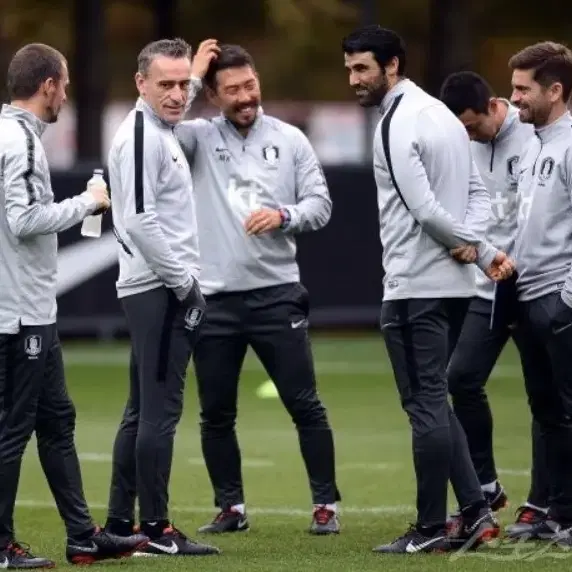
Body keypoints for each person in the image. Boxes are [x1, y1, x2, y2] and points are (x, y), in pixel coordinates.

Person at [341, 25, 515, 554]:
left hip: (415, 284)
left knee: (423, 407)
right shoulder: (441, 113)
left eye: (363, 68)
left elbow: (423, 210)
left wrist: (480, 250)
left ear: (393, 65)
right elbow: (478, 194)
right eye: (349, 68)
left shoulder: (398, 121)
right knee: (436, 404)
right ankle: (476, 511)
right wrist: (473, 241)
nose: (353, 79)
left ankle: (430, 528)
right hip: (455, 287)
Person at [176, 42, 341, 535]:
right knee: (215, 413)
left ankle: (326, 506)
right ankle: (231, 509)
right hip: (215, 299)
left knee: (304, 403)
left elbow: (321, 204)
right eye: (232, 90)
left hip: (276, 293)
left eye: (250, 85)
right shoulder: (196, 137)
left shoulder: (290, 139)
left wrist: (284, 215)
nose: (246, 96)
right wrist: (193, 72)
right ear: (212, 94)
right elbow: (157, 127)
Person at [0, 43, 148, 568]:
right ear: (48, 86)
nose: (66, 92)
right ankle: (1, 546)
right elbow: (21, 221)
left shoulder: (16, 135)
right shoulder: (18, 142)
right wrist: (86, 204)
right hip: (17, 313)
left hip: (33, 306)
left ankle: (83, 537)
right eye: (63, 83)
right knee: (12, 430)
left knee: (57, 419)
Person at [103, 38, 220, 556]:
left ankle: (118, 524)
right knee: (159, 413)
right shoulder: (144, 135)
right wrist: (185, 284)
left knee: (140, 411)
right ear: (140, 84)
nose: (178, 94)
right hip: (159, 289)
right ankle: (155, 529)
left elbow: (176, 95)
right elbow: (138, 220)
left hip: (152, 286)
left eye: (182, 85)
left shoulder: (156, 124)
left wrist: (193, 74)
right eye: (165, 84)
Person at [439, 71, 550, 536]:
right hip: (488, 284)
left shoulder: (533, 134)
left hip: (533, 282)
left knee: (546, 398)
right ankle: (485, 485)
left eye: (470, 125)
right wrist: (464, 242)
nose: (466, 134)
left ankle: (543, 503)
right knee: (461, 379)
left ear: (492, 106)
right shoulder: (458, 144)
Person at [507, 41, 572, 545]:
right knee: (547, 412)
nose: (514, 99)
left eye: (523, 89)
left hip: (559, 300)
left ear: (555, 90)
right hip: (528, 297)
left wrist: (566, 300)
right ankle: (554, 511)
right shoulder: (532, 143)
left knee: (568, 412)